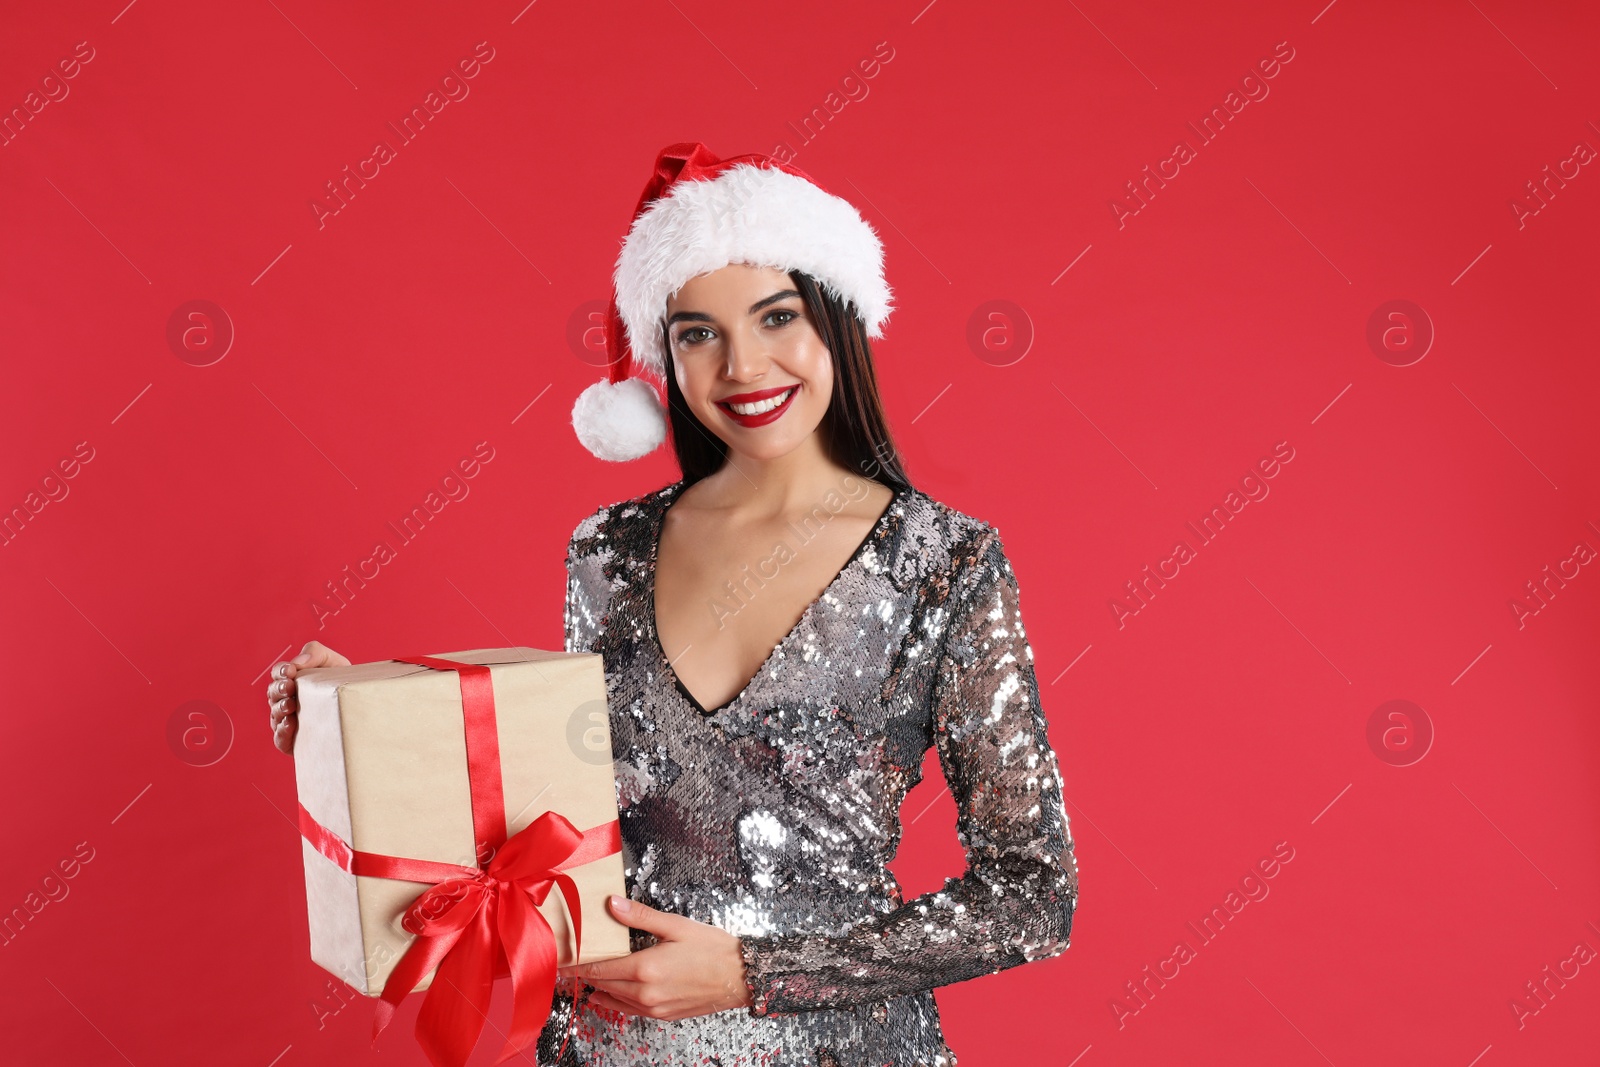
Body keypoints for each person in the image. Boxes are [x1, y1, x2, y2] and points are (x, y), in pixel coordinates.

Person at [268, 142, 1078, 1067]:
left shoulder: (945, 561)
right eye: (698, 332)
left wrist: (755, 973)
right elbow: (547, 831)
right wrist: (357, 726)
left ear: (839, 321)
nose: (743, 365)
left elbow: (1030, 894)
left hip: (845, 1049)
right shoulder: (608, 552)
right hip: (611, 1048)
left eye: (778, 317)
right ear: (665, 355)